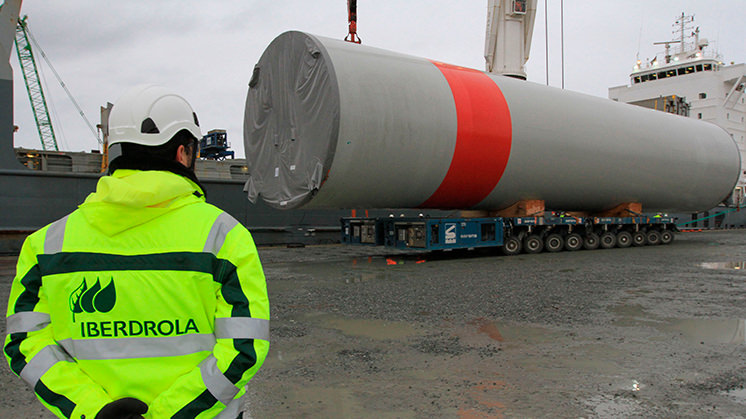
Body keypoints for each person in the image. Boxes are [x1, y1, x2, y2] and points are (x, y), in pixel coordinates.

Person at [4, 85, 270, 419]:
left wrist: (92, 410)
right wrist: (165, 413)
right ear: (183, 153)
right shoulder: (225, 238)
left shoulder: (45, 246)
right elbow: (243, 349)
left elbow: (24, 346)